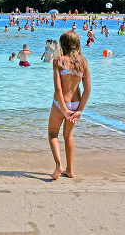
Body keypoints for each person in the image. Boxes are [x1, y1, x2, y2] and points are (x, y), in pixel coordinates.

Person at [48, 30, 91, 179]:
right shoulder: (83, 62)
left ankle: (59, 165)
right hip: (76, 104)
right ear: (77, 44)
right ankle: (70, 170)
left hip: (61, 104)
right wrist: (79, 110)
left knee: (53, 134)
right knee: (68, 135)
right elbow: (87, 89)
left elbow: (58, 89)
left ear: (62, 45)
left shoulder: (58, 61)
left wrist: (64, 109)